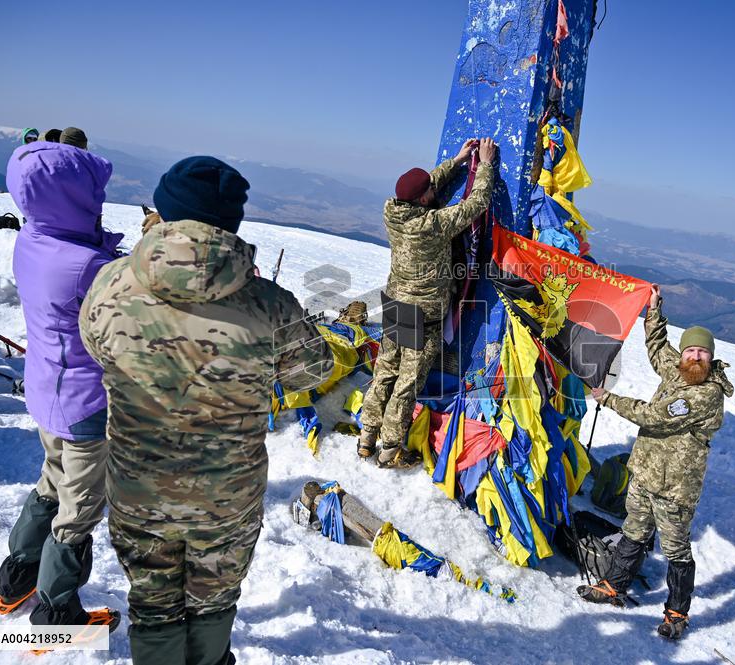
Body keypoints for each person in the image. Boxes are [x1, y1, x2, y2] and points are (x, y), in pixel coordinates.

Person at [80, 156, 334, 665]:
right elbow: (313, 373)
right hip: (226, 498)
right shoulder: (271, 305)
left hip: (139, 487)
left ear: (166, 211)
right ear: (231, 222)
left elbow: (95, 347)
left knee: (153, 604)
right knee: (213, 601)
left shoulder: (110, 283)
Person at [0, 141, 122, 629]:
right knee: (80, 508)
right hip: (87, 402)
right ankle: (56, 613)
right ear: (70, 197)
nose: (100, 200)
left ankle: (16, 577)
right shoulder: (88, 268)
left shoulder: (33, 239)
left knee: (52, 480)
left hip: (48, 391)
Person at [579, 284, 734, 640]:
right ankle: (613, 586)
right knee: (634, 531)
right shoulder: (679, 370)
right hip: (646, 475)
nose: (695, 357)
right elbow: (657, 347)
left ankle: (677, 613)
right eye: (691, 350)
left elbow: (654, 416)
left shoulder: (705, 393)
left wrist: (607, 399)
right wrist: (653, 309)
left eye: (702, 353)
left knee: (677, 549)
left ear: (710, 358)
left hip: (675, 488)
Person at [358, 137, 497, 468]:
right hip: (424, 315)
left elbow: (425, 187)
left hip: (395, 304)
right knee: (406, 384)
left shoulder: (391, 210)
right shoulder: (431, 225)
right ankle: (390, 449)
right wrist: (486, 164)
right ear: (422, 200)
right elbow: (475, 204)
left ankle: (367, 437)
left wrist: (459, 160)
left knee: (385, 372)